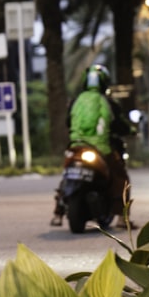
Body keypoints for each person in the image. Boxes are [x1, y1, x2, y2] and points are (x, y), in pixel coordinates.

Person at [51, 64, 135, 227]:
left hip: (76, 146)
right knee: (120, 177)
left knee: (68, 174)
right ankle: (122, 218)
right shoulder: (108, 102)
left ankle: (58, 214)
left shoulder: (75, 101)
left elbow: (68, 122)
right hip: (101, 148)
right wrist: (131, 130)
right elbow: (120, 125)